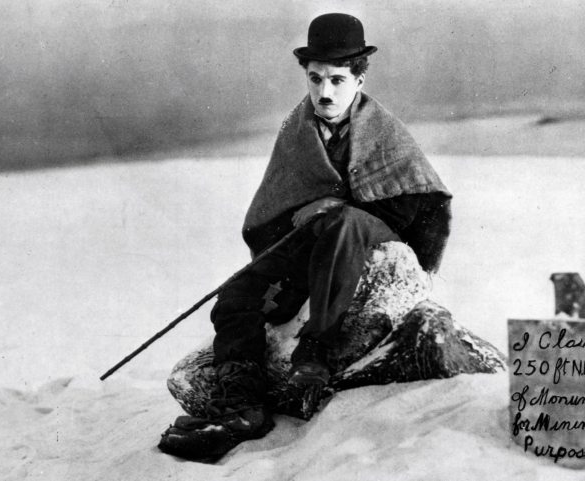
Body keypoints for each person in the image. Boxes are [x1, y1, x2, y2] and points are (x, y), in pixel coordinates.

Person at [159, 12, 452, 462]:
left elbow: (413, 201)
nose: (324, 92)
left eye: (337, 79)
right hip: (314, 236)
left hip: (373, 233)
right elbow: (276, 206)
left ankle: (315, 349)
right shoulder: (297, 129)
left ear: (359, 78)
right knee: (237, 293)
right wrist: (302, 220)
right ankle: (243, 407)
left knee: (344, 224)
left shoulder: (384, 130)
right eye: (315, 79)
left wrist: (338, 205)